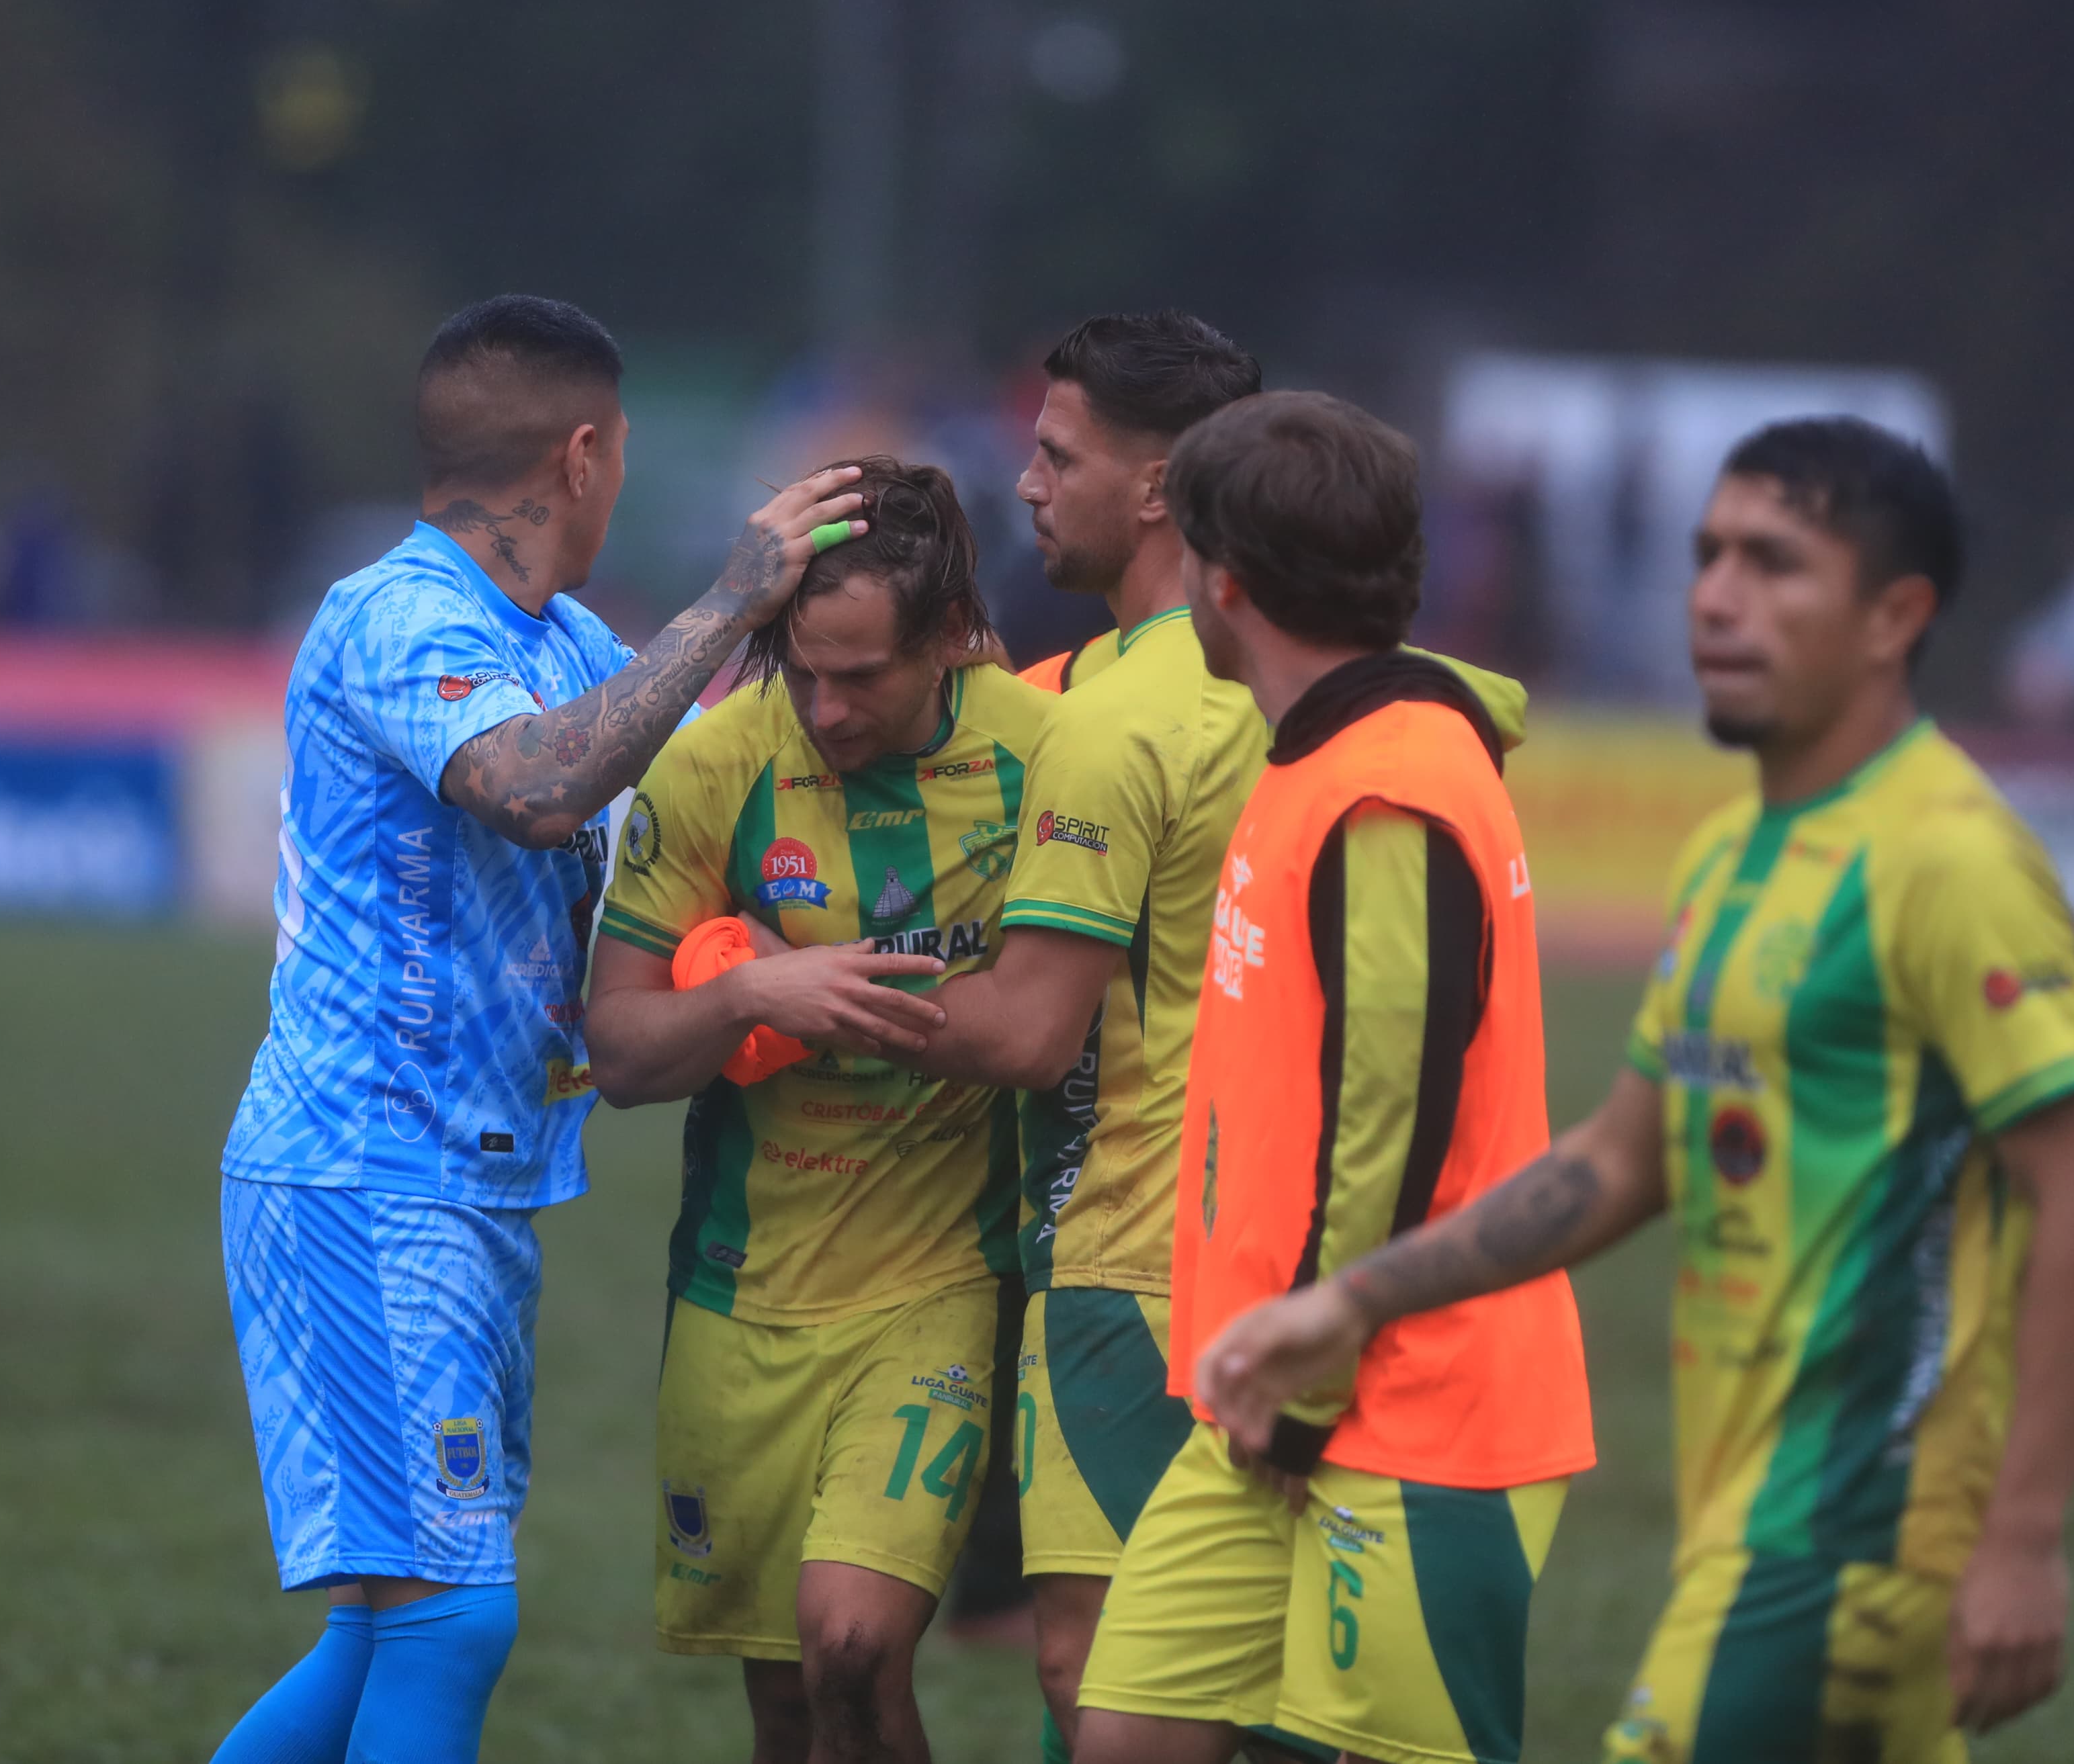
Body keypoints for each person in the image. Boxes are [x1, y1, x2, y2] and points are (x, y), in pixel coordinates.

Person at [1193, 416, 2074, 1763]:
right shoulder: (1727, 858)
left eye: (1772, 563)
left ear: (1895, 615)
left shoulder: (1948, 859)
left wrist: (2023, 1541)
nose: (1716, 595)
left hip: (1853, 1529)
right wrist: (1348, 1298)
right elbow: (1621, 1160)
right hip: (1744, 1512)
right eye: (1706, 556)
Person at [210, 294, 869, 1764]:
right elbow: (536, 787)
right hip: (362, 1171)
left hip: (461, 1180)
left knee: (389, 1619)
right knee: (448, 1617)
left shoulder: (565, 637)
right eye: (622, 451)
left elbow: (690, 785)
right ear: (582, 454)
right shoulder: (392, 611)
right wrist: (727, 600)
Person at [903, 316, 1526, 1760]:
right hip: (1263, 1287)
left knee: (1104, 1674)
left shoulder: (1177, 734)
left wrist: (788, 998)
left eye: (1057, 454)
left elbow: (1037, 1028)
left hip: (1162, 1268)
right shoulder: (1391, 710)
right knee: (1172, 1702)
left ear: (1175, 502)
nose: (1026, 481)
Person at [1073, 392, 1595, 1764]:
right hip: (1270, 1386)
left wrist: (1308, 1378)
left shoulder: (1392, 785)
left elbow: (1390, 1123)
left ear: (1221, 580)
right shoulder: (1318, 749)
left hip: (1406, 1401)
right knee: (1123, 1740)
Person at [584, 457, 1049, 1764]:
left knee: (853, 1642)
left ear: (954, 635)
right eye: (804, 669)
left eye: (863, 676)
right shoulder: (715, 767)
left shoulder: (1040, 759)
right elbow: (614, 1048)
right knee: (789, 1705)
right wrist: (752, 999)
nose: (828, 709)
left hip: (937, 1289)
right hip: (739, 1296)